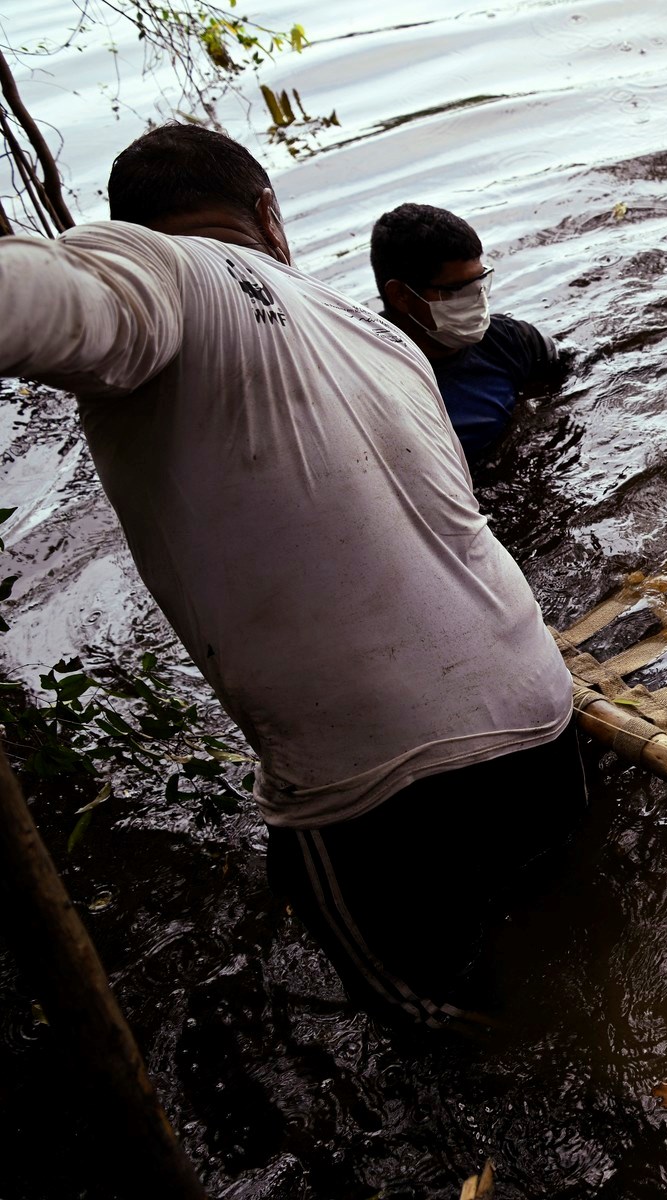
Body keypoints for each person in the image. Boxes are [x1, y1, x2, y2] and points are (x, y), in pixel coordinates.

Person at [0, 124, 584, 1030]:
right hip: (544, 712)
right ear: (269, 214)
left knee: (449, 1035)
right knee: (574, 923)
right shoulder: (375, 334)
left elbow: (34, 300)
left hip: (380, 779)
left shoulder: (156, 267)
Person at [371, 203, 559, 463]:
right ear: (401, 295)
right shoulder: (370, 386)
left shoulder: (513, 342)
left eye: (479, 283)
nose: (477, 300)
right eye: (455, 291)